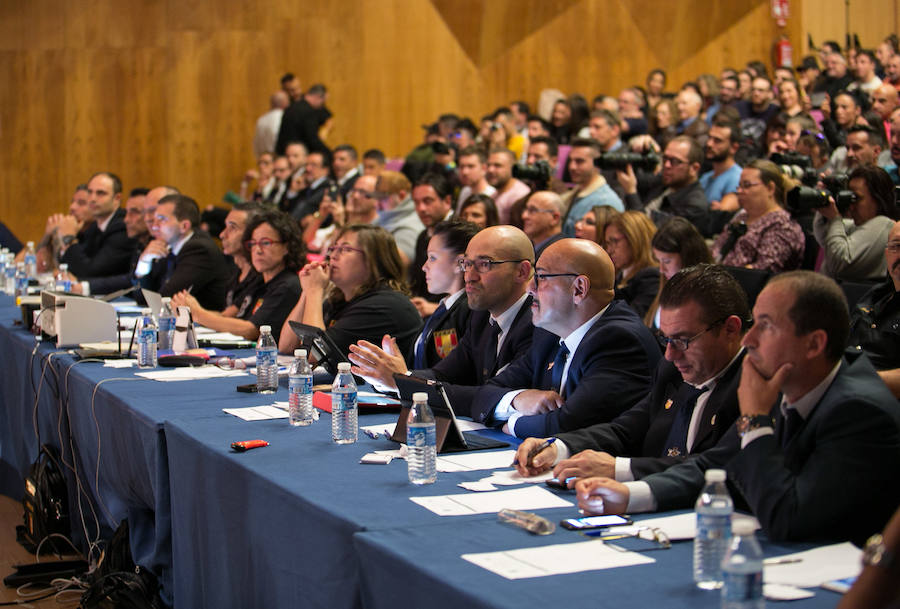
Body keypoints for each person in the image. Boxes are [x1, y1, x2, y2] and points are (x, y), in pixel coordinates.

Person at [575, 271, 900, 545]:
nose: (749, 339)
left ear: (814, 344)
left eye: (766, 326)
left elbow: (787, 519)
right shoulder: (786, 380)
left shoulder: (858, 411)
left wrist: (755, 420)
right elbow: (715, 467)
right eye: (754, 322)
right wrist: (631, 495)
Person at [514, 265, 747, 484]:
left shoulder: (752, 389)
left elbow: (715, 468)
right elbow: (624, 431)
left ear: (730, 330)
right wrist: (558, 447)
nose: (669, 354)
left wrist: (620, 469)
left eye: (683, 340)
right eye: (666, 339)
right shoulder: (673, 372)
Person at [469, 238, 661, 438]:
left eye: (541, 277)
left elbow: (568, 424)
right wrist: (518, 399)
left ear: (579, 289)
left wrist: (513, 424)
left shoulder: (619, 341)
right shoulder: (549, 335)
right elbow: (485, 393)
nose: (530, 288)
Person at [348, 225, 535, 412]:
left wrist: (401, 381)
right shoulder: (481, 318)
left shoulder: (537, 325)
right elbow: (443, 374)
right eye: (467, 264)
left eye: (484, 264)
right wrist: (392, 376)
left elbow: (491, 395)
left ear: (522, 272)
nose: (469, 276)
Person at [278, 224, 422, 356]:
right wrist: (307, 291)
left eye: (345, 249)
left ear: (374, 260)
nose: (333, 256)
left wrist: (314, 290)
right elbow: (286, 346)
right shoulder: (340, 299)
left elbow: (314, 355)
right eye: (333, 248)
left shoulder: (383, 304)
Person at [172, 209, 303, 340]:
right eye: (253, 243)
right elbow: (226, 317)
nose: (258, 250)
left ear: (287, 247)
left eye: (265, 243)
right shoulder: (259, 279)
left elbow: (251, 330)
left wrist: (198, 314)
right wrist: (189, 309)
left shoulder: (288, 285)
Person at [712, 159, 805, 272]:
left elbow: (761, 271)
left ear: (770, 188)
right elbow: (716, 250)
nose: (740, 191)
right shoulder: (742, 216)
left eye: (747, 185)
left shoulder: (783, 225)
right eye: (739, 186)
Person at [408, 221, 478, 368]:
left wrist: (401, 374)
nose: (424, 267)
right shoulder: (445, 307)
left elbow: (451, 373)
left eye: (432, 258)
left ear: (460, 263)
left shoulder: (469, 309)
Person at [814, 165, 899, 280]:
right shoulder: (856, 225)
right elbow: (824, 236)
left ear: (879, 199)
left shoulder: (884, 224)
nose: (851, 205)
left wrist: (834, 218)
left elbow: (839, 262)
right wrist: (826, 198)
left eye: (856, 198)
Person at [848, 220, 900, 397]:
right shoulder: (876, 296)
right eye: (897, 246)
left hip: (879, 402)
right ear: (886, 254)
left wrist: (852, 383)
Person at [57, 172, 137, 279]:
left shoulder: (122, 227)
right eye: (90, 192)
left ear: (117, 198)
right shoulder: (95, 226)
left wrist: (70, 238)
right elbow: (69, 266)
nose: (93, 198)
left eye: (100, 193)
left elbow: (91, 273)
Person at [644, 217, 712, 329]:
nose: (661, 269)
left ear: (688, 256)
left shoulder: (704, 297)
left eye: (667, 261)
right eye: (658, 261)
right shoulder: (666, 286)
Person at [560, 138, 624, 236]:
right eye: (571, 160)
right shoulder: (571, 195)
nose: (572, 167)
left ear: (597, 164)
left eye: (579, 161)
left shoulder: (607, 201)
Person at [605, 211, 660, 319]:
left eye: (614, 241)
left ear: (635, 238)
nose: (609, 250)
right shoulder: (620, 276)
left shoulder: (651, 277)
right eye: (607, 243)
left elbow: (631, 320)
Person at [520, 191, 566, 260]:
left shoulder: (561, 254)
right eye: (526, 209)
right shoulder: (529, 247)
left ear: (554, 218)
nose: (524, 216)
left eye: (532, 210)